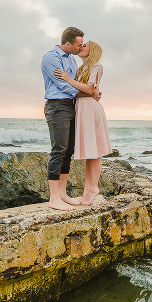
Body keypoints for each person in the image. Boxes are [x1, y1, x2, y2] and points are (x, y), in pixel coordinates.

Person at [41, 27, 96, 210]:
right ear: (68, 44)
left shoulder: (72, 60)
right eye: (79, 45)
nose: (81, 48)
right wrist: (87, 92)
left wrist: (89, 92)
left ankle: (62, 193)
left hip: (71, 106)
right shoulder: (51, 58)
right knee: (58, 149)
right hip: (57, 106)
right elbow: (63, 85)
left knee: (68, 150)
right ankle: (53, 198)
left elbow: (76, 82)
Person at [54, 40, 112, 205]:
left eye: (84, 46)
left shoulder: (96, 66)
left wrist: (68, 79)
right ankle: (88, 189)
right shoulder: (81, 69)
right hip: (82, 109)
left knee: (95, 151)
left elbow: (87, 89)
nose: (81, 47)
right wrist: (90, 91)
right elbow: (84, 91)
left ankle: (93, 187)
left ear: (92, 50)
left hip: (91, 110)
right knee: (89, 151)